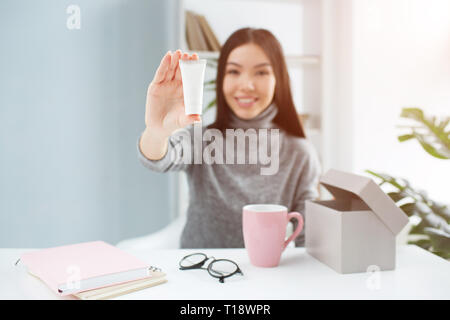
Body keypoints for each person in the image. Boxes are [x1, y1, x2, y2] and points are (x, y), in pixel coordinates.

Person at [138, 28, 321, 248]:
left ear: (278, 80)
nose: (246, 85)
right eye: (234, 72)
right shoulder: (202, 139)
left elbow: (310, 238)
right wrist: (157, 131)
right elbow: (158, 159)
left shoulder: (299, 152)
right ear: (221, 79)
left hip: (267, 276)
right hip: (200, 272)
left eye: (261, 72)